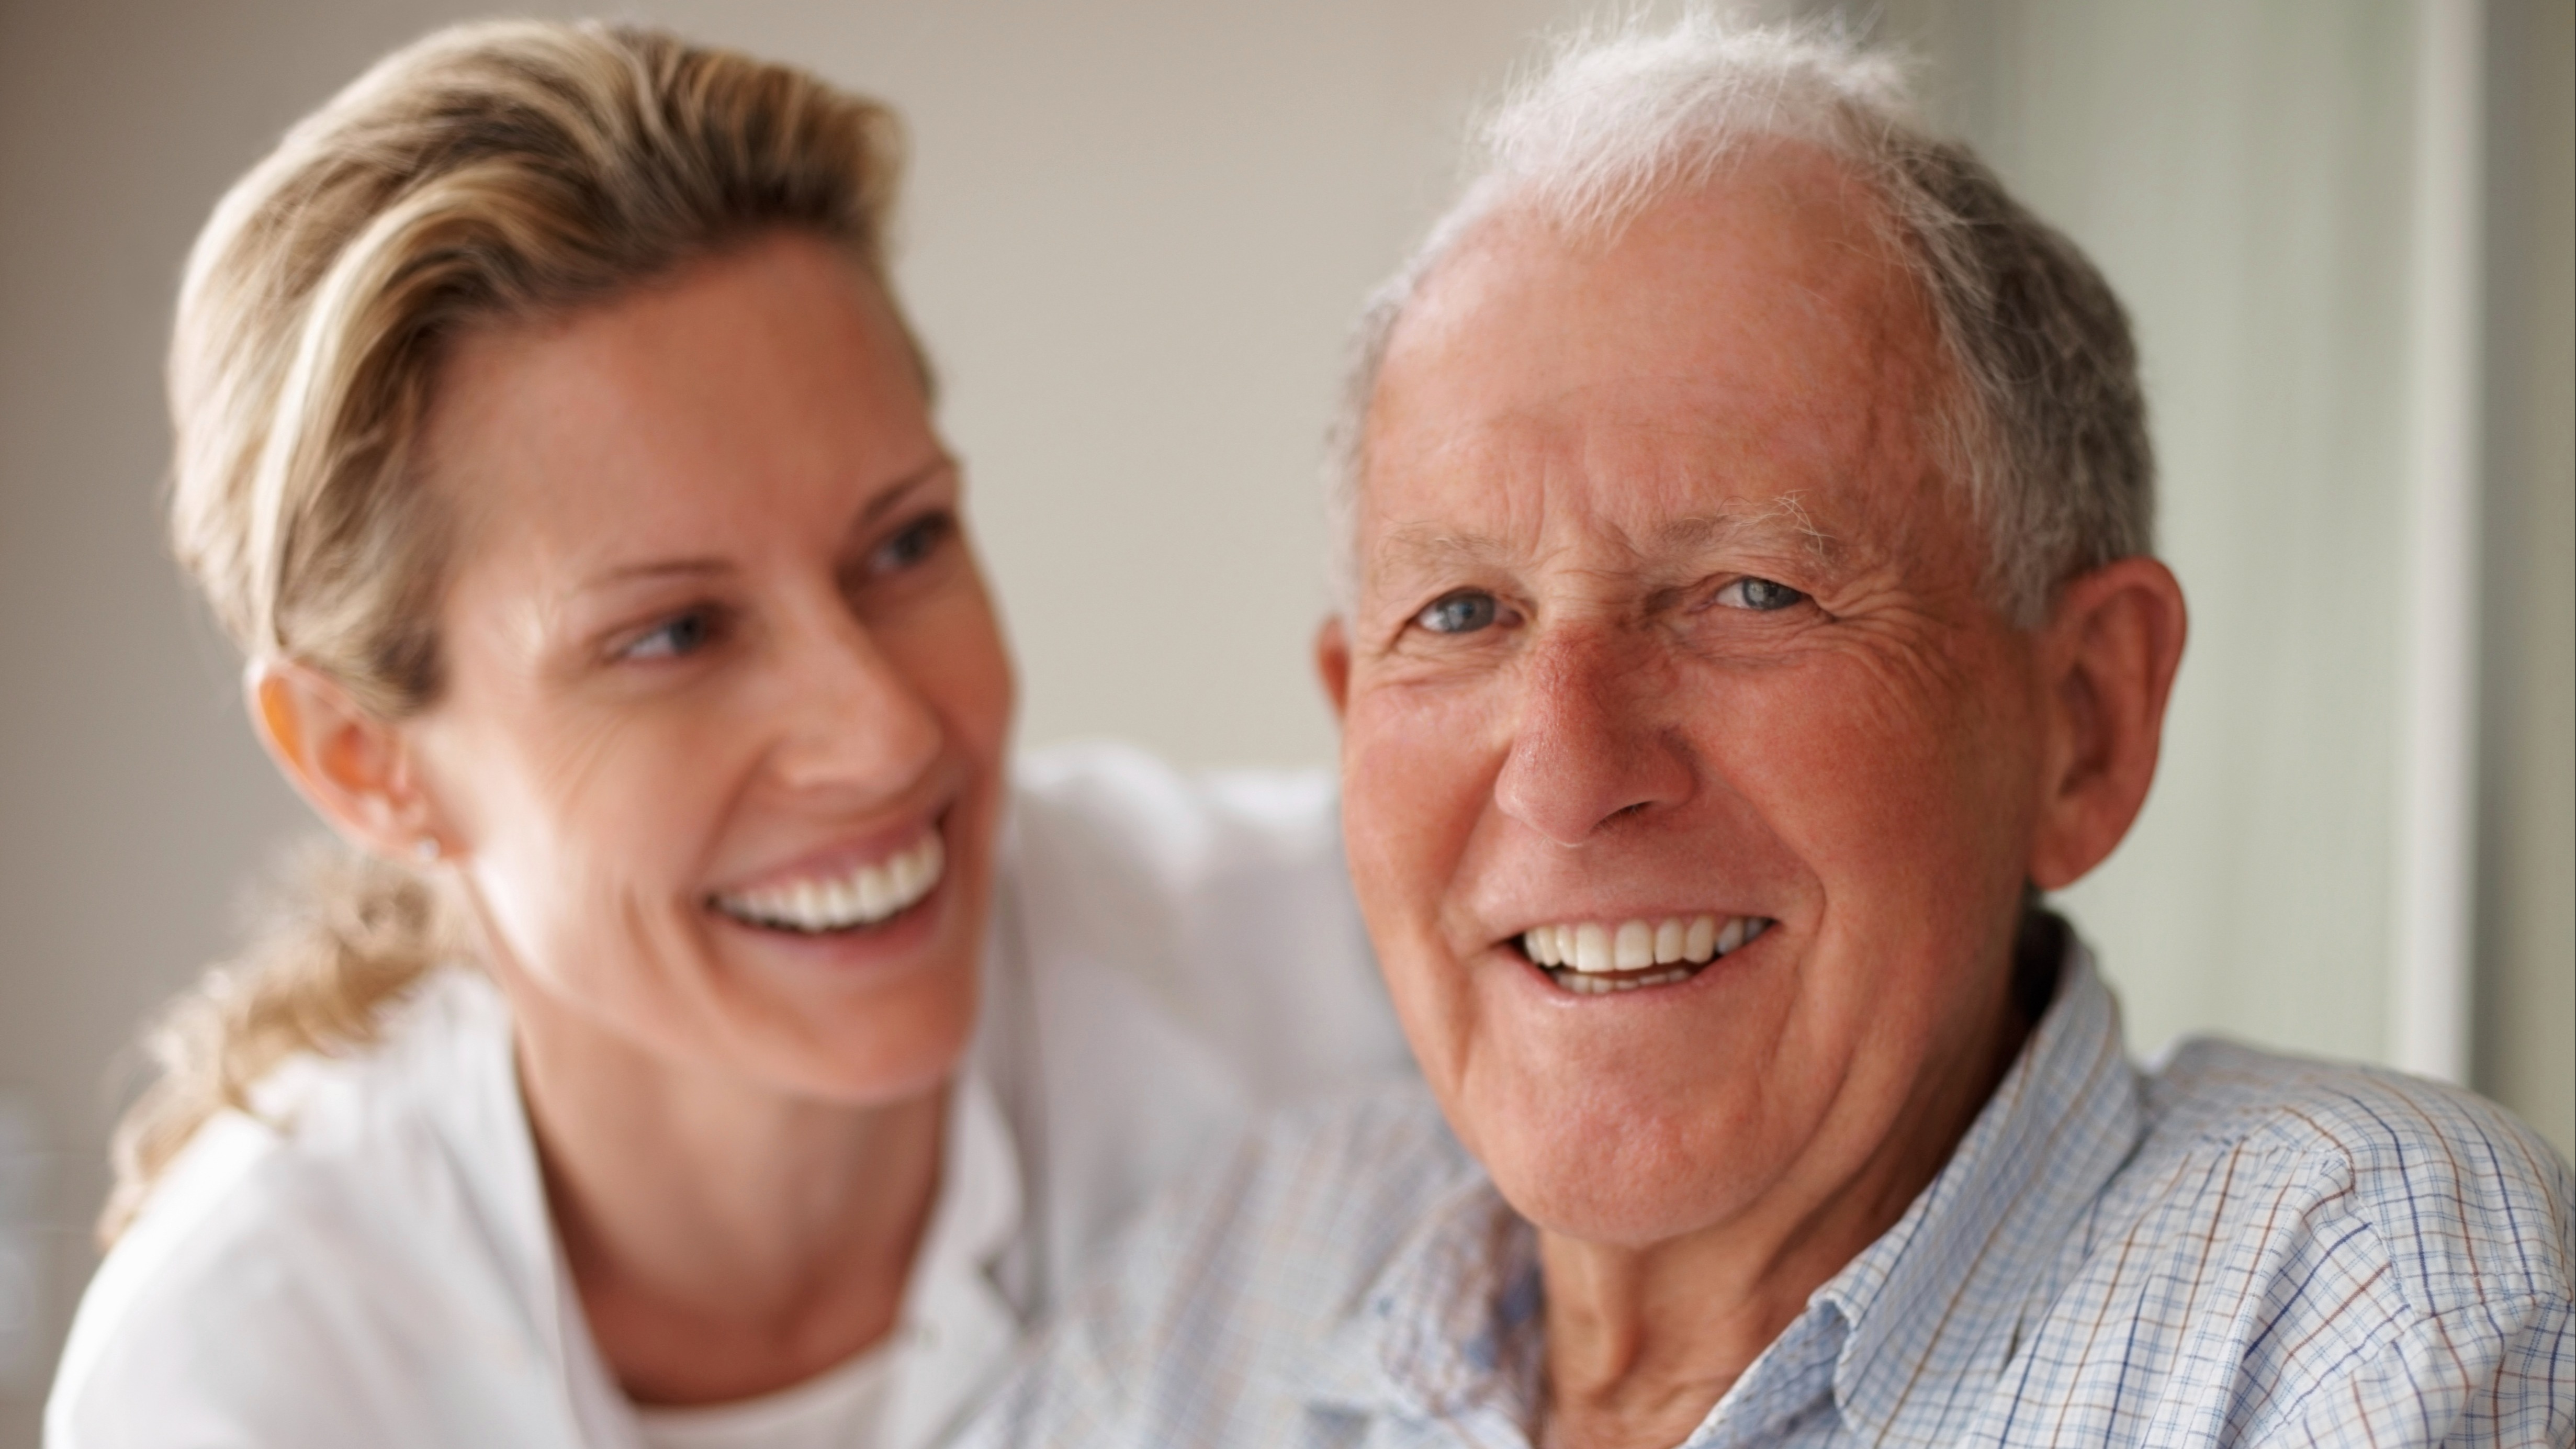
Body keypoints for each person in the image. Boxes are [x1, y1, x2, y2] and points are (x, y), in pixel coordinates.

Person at [962, 17, 2575, 1448]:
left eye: (1749, 591)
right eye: (1460, 613)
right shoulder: (1232, 1263)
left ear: (2082, 721)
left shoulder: (2344, 1287)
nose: (1568, 768)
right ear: (1346, 714)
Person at [43, 21, 1410, 1449]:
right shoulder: (243, 1375)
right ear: (361, 759)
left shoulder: (1352, 987)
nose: (880, 734)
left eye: (903, 544)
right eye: (673, 634)